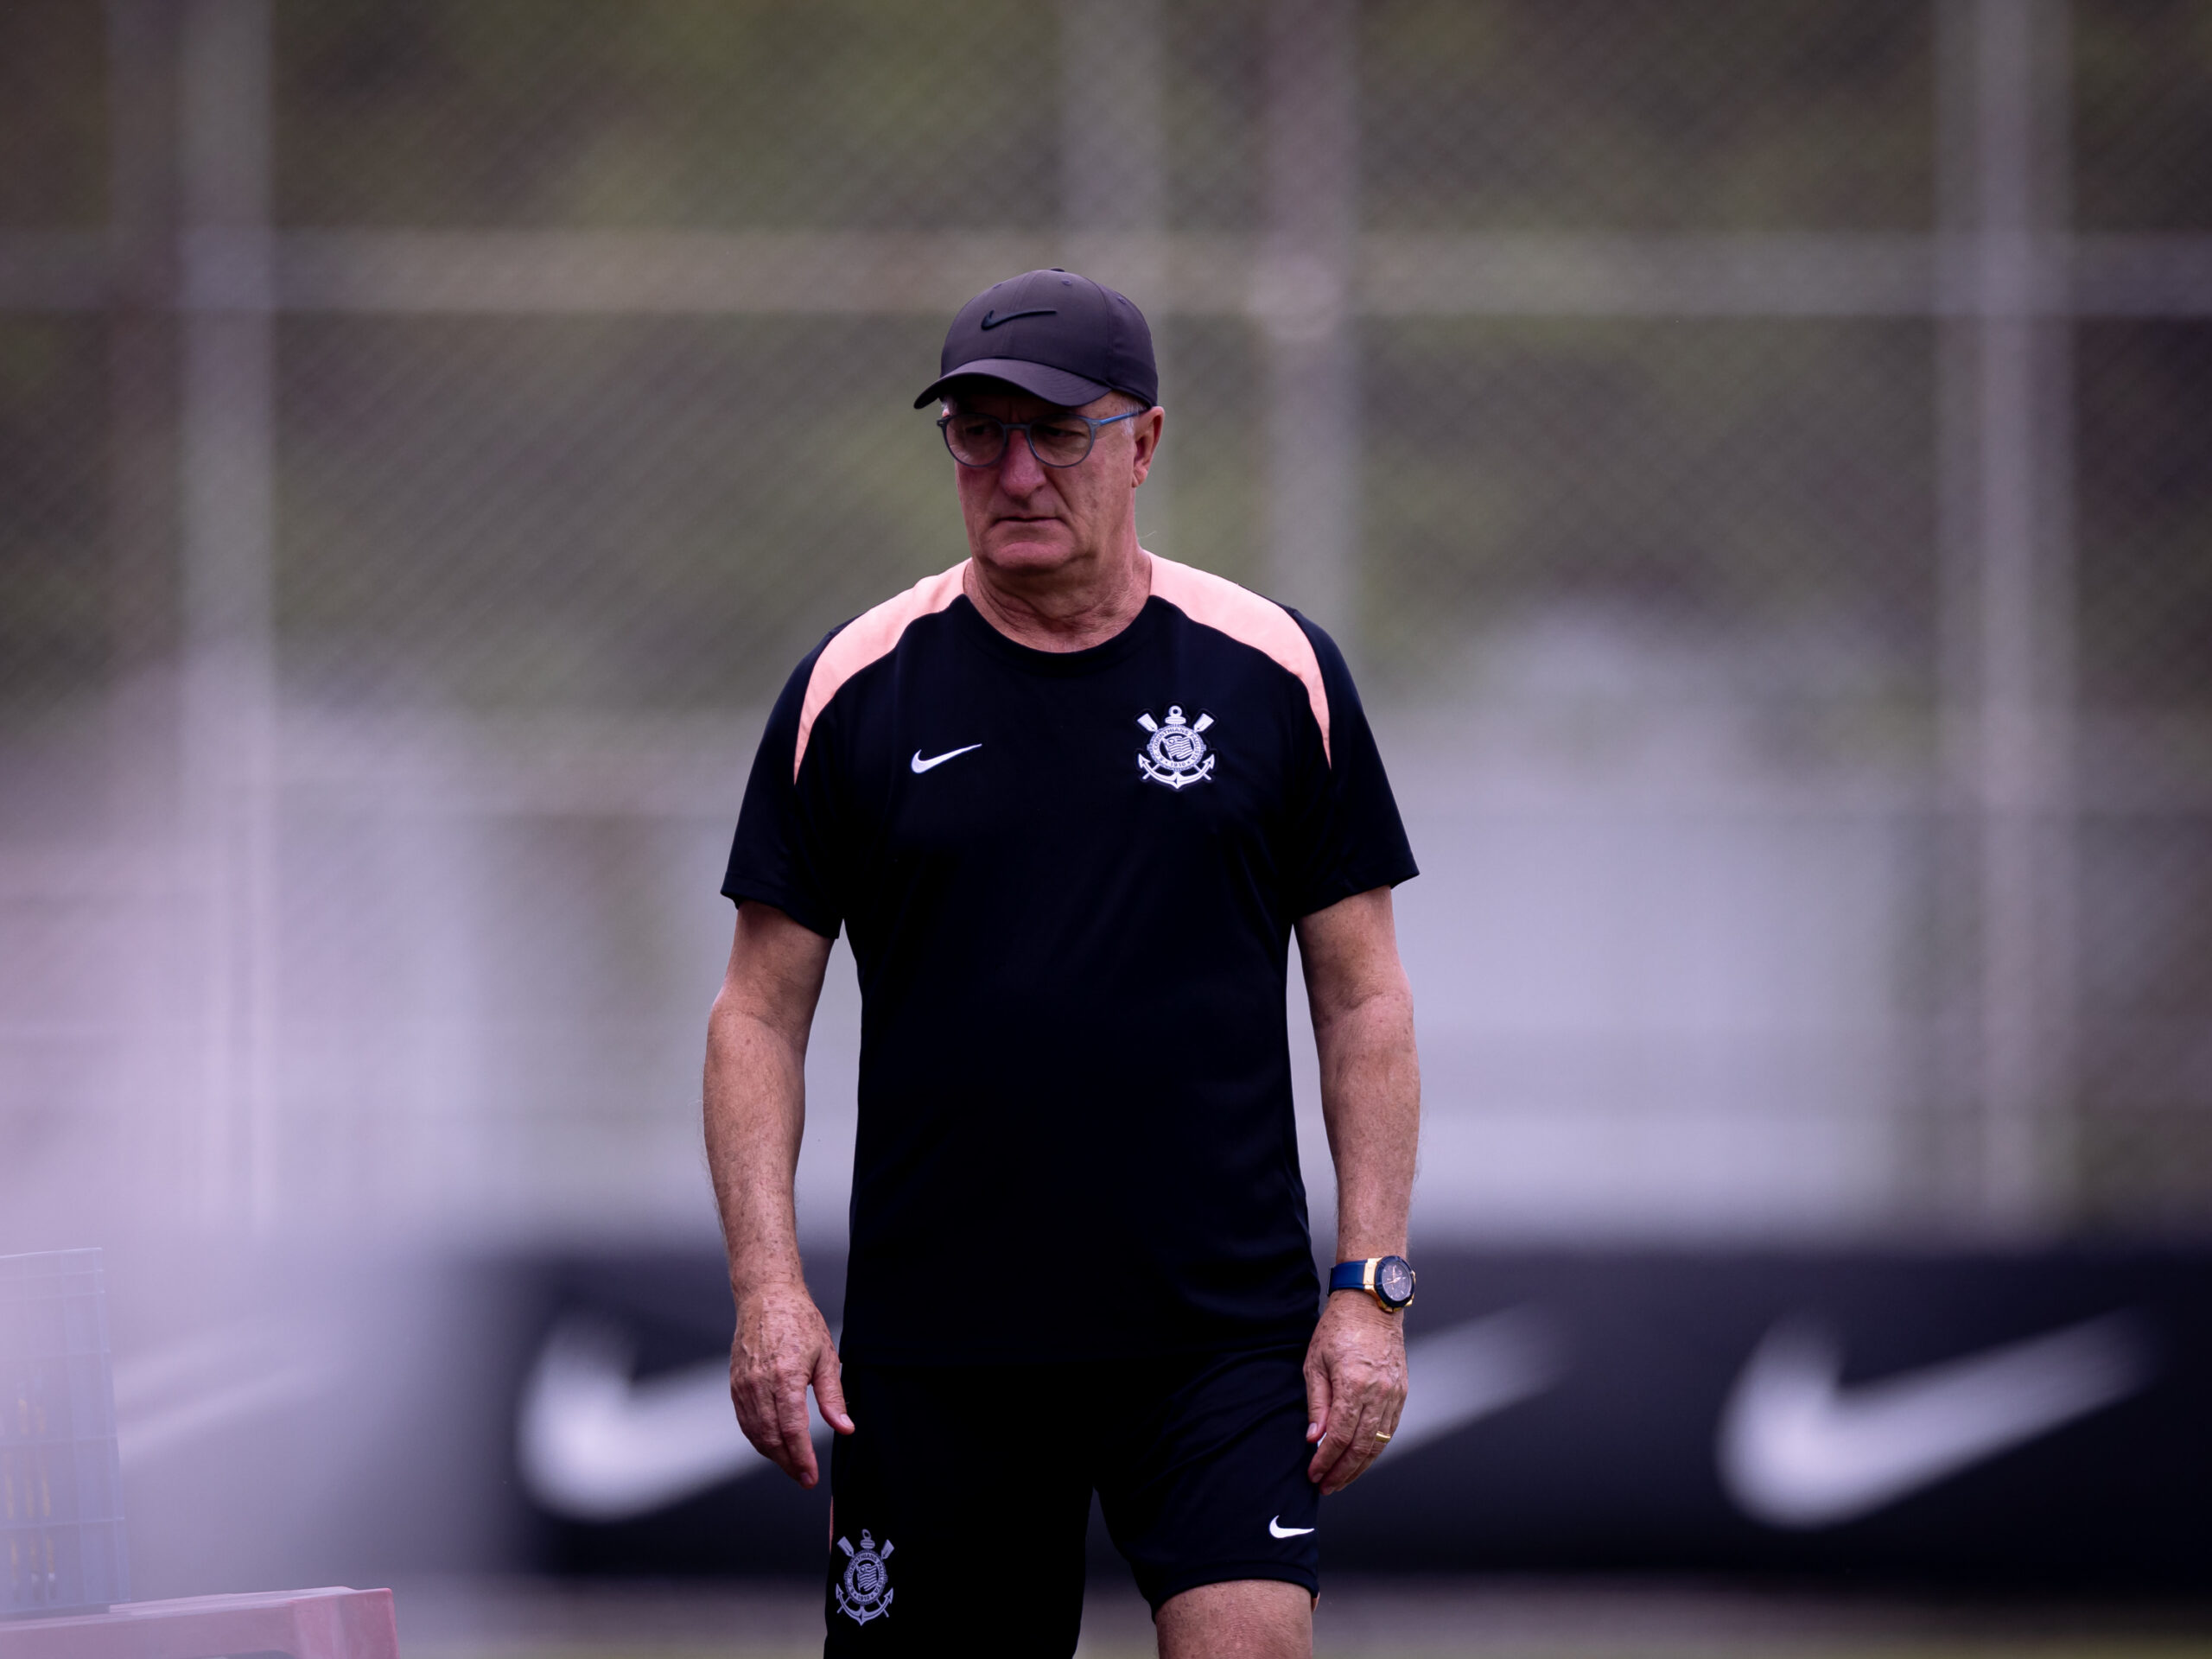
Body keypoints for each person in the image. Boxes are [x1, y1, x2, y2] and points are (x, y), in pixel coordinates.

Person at [706, 268, 1421, 1658]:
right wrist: (768, 1290)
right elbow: (755, 1016)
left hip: (1216, 1336)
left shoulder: (1274, 672)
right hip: (940, 1348)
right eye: (978, 433)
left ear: (1144, 442)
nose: (1016, 471)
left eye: (1058, 432)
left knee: (1250, 1645)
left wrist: (1369, 1287)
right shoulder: (856, 689)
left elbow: (1363, 996)